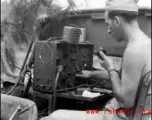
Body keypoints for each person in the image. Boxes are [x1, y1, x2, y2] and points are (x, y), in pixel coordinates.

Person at [41, 0, 151, 120]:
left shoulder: (134, 51)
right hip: (130, 112)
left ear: (117, 21)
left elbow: (126, 103)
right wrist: (91, 74)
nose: (108, 30)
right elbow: (126, 78)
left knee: (53, 116)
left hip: (120, 116)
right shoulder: (145, 43)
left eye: (108, 24)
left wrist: (111, 68)